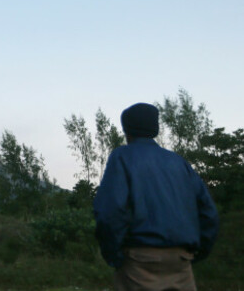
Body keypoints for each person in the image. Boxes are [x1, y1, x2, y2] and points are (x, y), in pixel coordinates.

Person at [93, 103, 219, 291]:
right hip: (181, 262)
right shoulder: (178, 162)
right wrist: (198, 252)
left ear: (127, 130)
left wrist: (114, 256)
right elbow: (209, 213)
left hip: (139, 263)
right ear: (155, 128)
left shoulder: (122, 157)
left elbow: (110, 212)